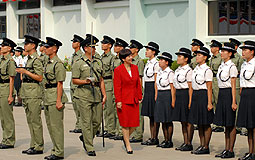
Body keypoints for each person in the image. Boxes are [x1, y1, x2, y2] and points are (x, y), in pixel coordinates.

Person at [72, 34, 106, 156]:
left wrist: (104, 94)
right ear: (85, 48)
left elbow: (101, 79)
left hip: (96, 93)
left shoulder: (98, 61)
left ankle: (86, 138)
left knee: (96, 121)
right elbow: (74, 80)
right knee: (86, 122)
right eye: (92, 47)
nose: (94, 49)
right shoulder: (78, 62)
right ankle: (89, 146)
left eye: (95, 47)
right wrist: (85, 81)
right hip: (84, 94)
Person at [17, 35, 44, 155]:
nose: (25, 45)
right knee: (30, 121)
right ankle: (33, 144)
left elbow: (39, 77)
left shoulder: (36, 59)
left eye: (27, 44)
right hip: (27, 92)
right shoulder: (29, 59)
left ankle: (38, 146)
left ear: (33, 46)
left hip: (34, 93)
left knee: (35, 121)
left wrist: (25, 72)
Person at [43, 37, 68, 160]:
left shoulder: (58, 64)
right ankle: (55, 149)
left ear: (55, 48)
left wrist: (58, 100)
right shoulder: (48, 62)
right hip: (48, 96)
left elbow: (60, 83)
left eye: (48, 47)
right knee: (50, 125)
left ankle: (59, 152)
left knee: (56, 126)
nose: (45, 49)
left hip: (55, 96)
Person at [114, 49, 142, 154]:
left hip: (134, 99)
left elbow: (137, 84)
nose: (131, 58)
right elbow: (117, 87)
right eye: (129, 56)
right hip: (123, 100)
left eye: (131, 56)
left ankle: (125, 138)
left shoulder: (135, 68)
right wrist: (118, 101)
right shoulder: (118, 70)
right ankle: (128, 143)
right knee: (125, 124)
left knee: (134, 124)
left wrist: (140, 96)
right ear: (123, 59)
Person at [213, 42, 238, 158]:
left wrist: (233, 101)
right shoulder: (222, 66)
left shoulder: (232, 67)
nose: (221, 53)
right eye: (221, 51)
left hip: (229, 93)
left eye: (224, 51)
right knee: (225, 124)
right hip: (222, 93)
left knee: (230, 123)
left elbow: (233, 84)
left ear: (230, 53)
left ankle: (230, 149)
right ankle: (226, 148)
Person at [188, 46, 214, 155]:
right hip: (196, 95)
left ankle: (206, 146)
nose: (197, 57)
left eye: (199, 55)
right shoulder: (196, 69)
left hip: (204, 95)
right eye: (197, 55)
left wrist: (209, 102)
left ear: (205, 57)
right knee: (199, 122)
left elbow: (209, 87)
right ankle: (201, 144)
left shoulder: (207, 70)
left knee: (206, 122)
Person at [236, 40, 255, 160]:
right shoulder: (243, 64)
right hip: (245, 93)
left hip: (253, 93)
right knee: (248, 125)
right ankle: (250, 151)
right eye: (242, 49)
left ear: (252, 51)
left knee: (254, 125)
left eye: (245, 50)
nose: (243, 52)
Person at [173, 47, 193, 151]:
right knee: (182, 121)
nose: (178, 58)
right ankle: (185, 141)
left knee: (188, 121)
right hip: (179, 95)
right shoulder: (177, 70)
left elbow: (190, 87)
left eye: (180, 56)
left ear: (186, 59)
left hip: (186, 94)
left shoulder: (189, 70)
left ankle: (189, 143)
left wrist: (190, 101)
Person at [141, 42, 160, 146]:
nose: (146, 51)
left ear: (154, 52)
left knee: (154, 114)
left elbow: (156, 80)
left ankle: (155, 137)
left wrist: (156, 93)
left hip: (153, 88)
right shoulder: (148, 63)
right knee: (150, 115)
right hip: (148, 88)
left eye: (148, 50)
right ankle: (152, 136)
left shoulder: (156, 64)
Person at [154, 52, 175, 148]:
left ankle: (169, 140)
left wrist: (173, 100)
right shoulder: (160, 72)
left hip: (167, 95)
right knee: (162, 119)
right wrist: (157, 95)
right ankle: (165, 139)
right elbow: (157, 85)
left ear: (167, 62)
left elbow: (172, 87)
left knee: (168, 119)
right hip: (161, 95)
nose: (160, 61)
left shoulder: (170, 72)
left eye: (162, 60)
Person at [110, 38, 128, 141]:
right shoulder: (115, 59)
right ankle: (117, 131)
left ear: (121, 48)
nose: (115, 47)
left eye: (117, 46)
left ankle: (122, 132)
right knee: (114, 109)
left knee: (121, 111)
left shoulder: (123, 59)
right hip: (114, 85)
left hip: (121, 86)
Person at [0, 38, 16, 149]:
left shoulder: (10, 61)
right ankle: (5, 138)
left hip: (6, 88)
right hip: (1, 87)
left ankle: (9, 140)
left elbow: (11, 79)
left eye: (4, 46)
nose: (1, 47)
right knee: (2, 116)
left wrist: (10, 95)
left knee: (7, 116)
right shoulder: (2, 60)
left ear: (9, 48)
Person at [128, 39, 145, 143]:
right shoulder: (129, 61)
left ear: (137, 50)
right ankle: (133, 133)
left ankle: (138, 134)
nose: (130, 49)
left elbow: (139, 78)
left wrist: (138, 92)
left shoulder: (139, 62)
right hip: (129, 89)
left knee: (138, 113)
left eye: (132, 48)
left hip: (136, 89)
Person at [99, 35, 115, 138]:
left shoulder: (112, 58)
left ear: (109, 45)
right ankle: (106, 128)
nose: (102, 45)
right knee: (103, 108)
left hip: (109, 82)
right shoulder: (101, 57)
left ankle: (111, 129)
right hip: (101, 82)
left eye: (104, 43)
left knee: (109, 108)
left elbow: (113, 73)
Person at [229, 38, 246, 136]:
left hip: (237, 83)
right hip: (228, 84)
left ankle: (239, 126)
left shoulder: (239, 58)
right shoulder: (227, 59)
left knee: (237, 105)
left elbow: (240, 72)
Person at [69, 34, 84, 134]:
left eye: (74, 42)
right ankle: (78, 124)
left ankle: (81, 125)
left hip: (78, 84)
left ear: (78, 44)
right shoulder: (73, 55)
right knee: (75, 106)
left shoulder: (81, 55)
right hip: (72, 84)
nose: (72, 44)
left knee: (80, 107)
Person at [209, 40, 224, 133]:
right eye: (211, 47)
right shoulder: (212, 58)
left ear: (217, 48)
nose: (211, 48)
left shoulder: (220, 58)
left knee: (218, 101)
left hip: (218, 80)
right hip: (212, 80)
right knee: (213, 101)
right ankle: (217, 122)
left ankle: (221, 124)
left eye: (213, 47)